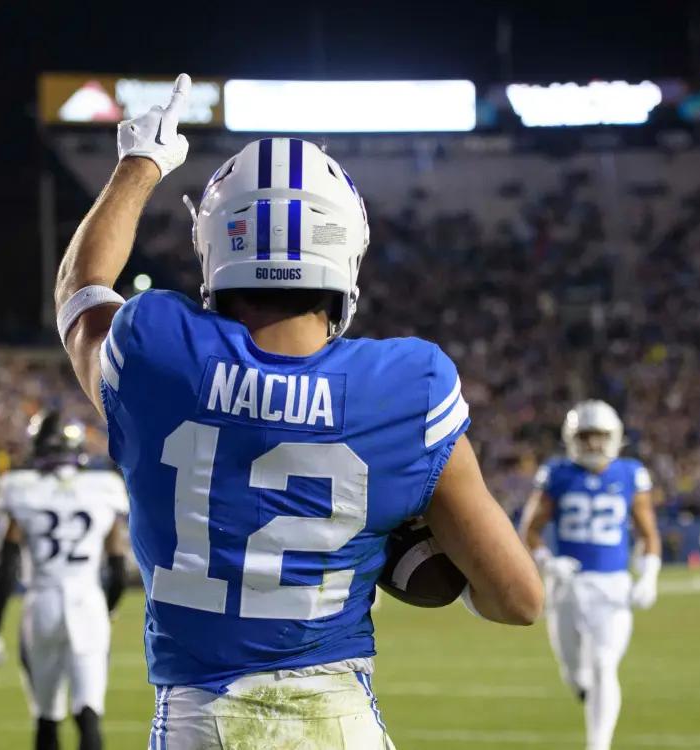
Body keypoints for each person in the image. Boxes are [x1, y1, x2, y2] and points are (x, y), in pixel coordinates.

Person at [54, 74, 543, 749]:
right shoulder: (408, 386)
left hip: (202, 721)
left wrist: (141, 162)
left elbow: (81, 293)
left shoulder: (158, 352)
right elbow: (518, 600)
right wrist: (416, 550)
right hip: (337, 720)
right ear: (346, 254)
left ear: (217, 249)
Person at [519, 400, 662, 750]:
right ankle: (581, 688)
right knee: (573, 671)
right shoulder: (556, 474)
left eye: (600, 437)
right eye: (586, 437)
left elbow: (648, 535)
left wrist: (649, 576)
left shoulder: (630, 473)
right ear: (572, 439)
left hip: (612, 585)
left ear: (615, 437)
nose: (594, 445)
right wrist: (546, 561)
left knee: (603, 664)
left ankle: (598, 745)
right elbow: (530, 530)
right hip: (566, 585)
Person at [0, 411, 130, 750]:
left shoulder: (20, 488)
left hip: (42, 604)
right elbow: (119, 570)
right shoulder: (104, 488)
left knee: (47, 715)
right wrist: (106, 610)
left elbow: (6, 567)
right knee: (88, 712)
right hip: (87, 601)